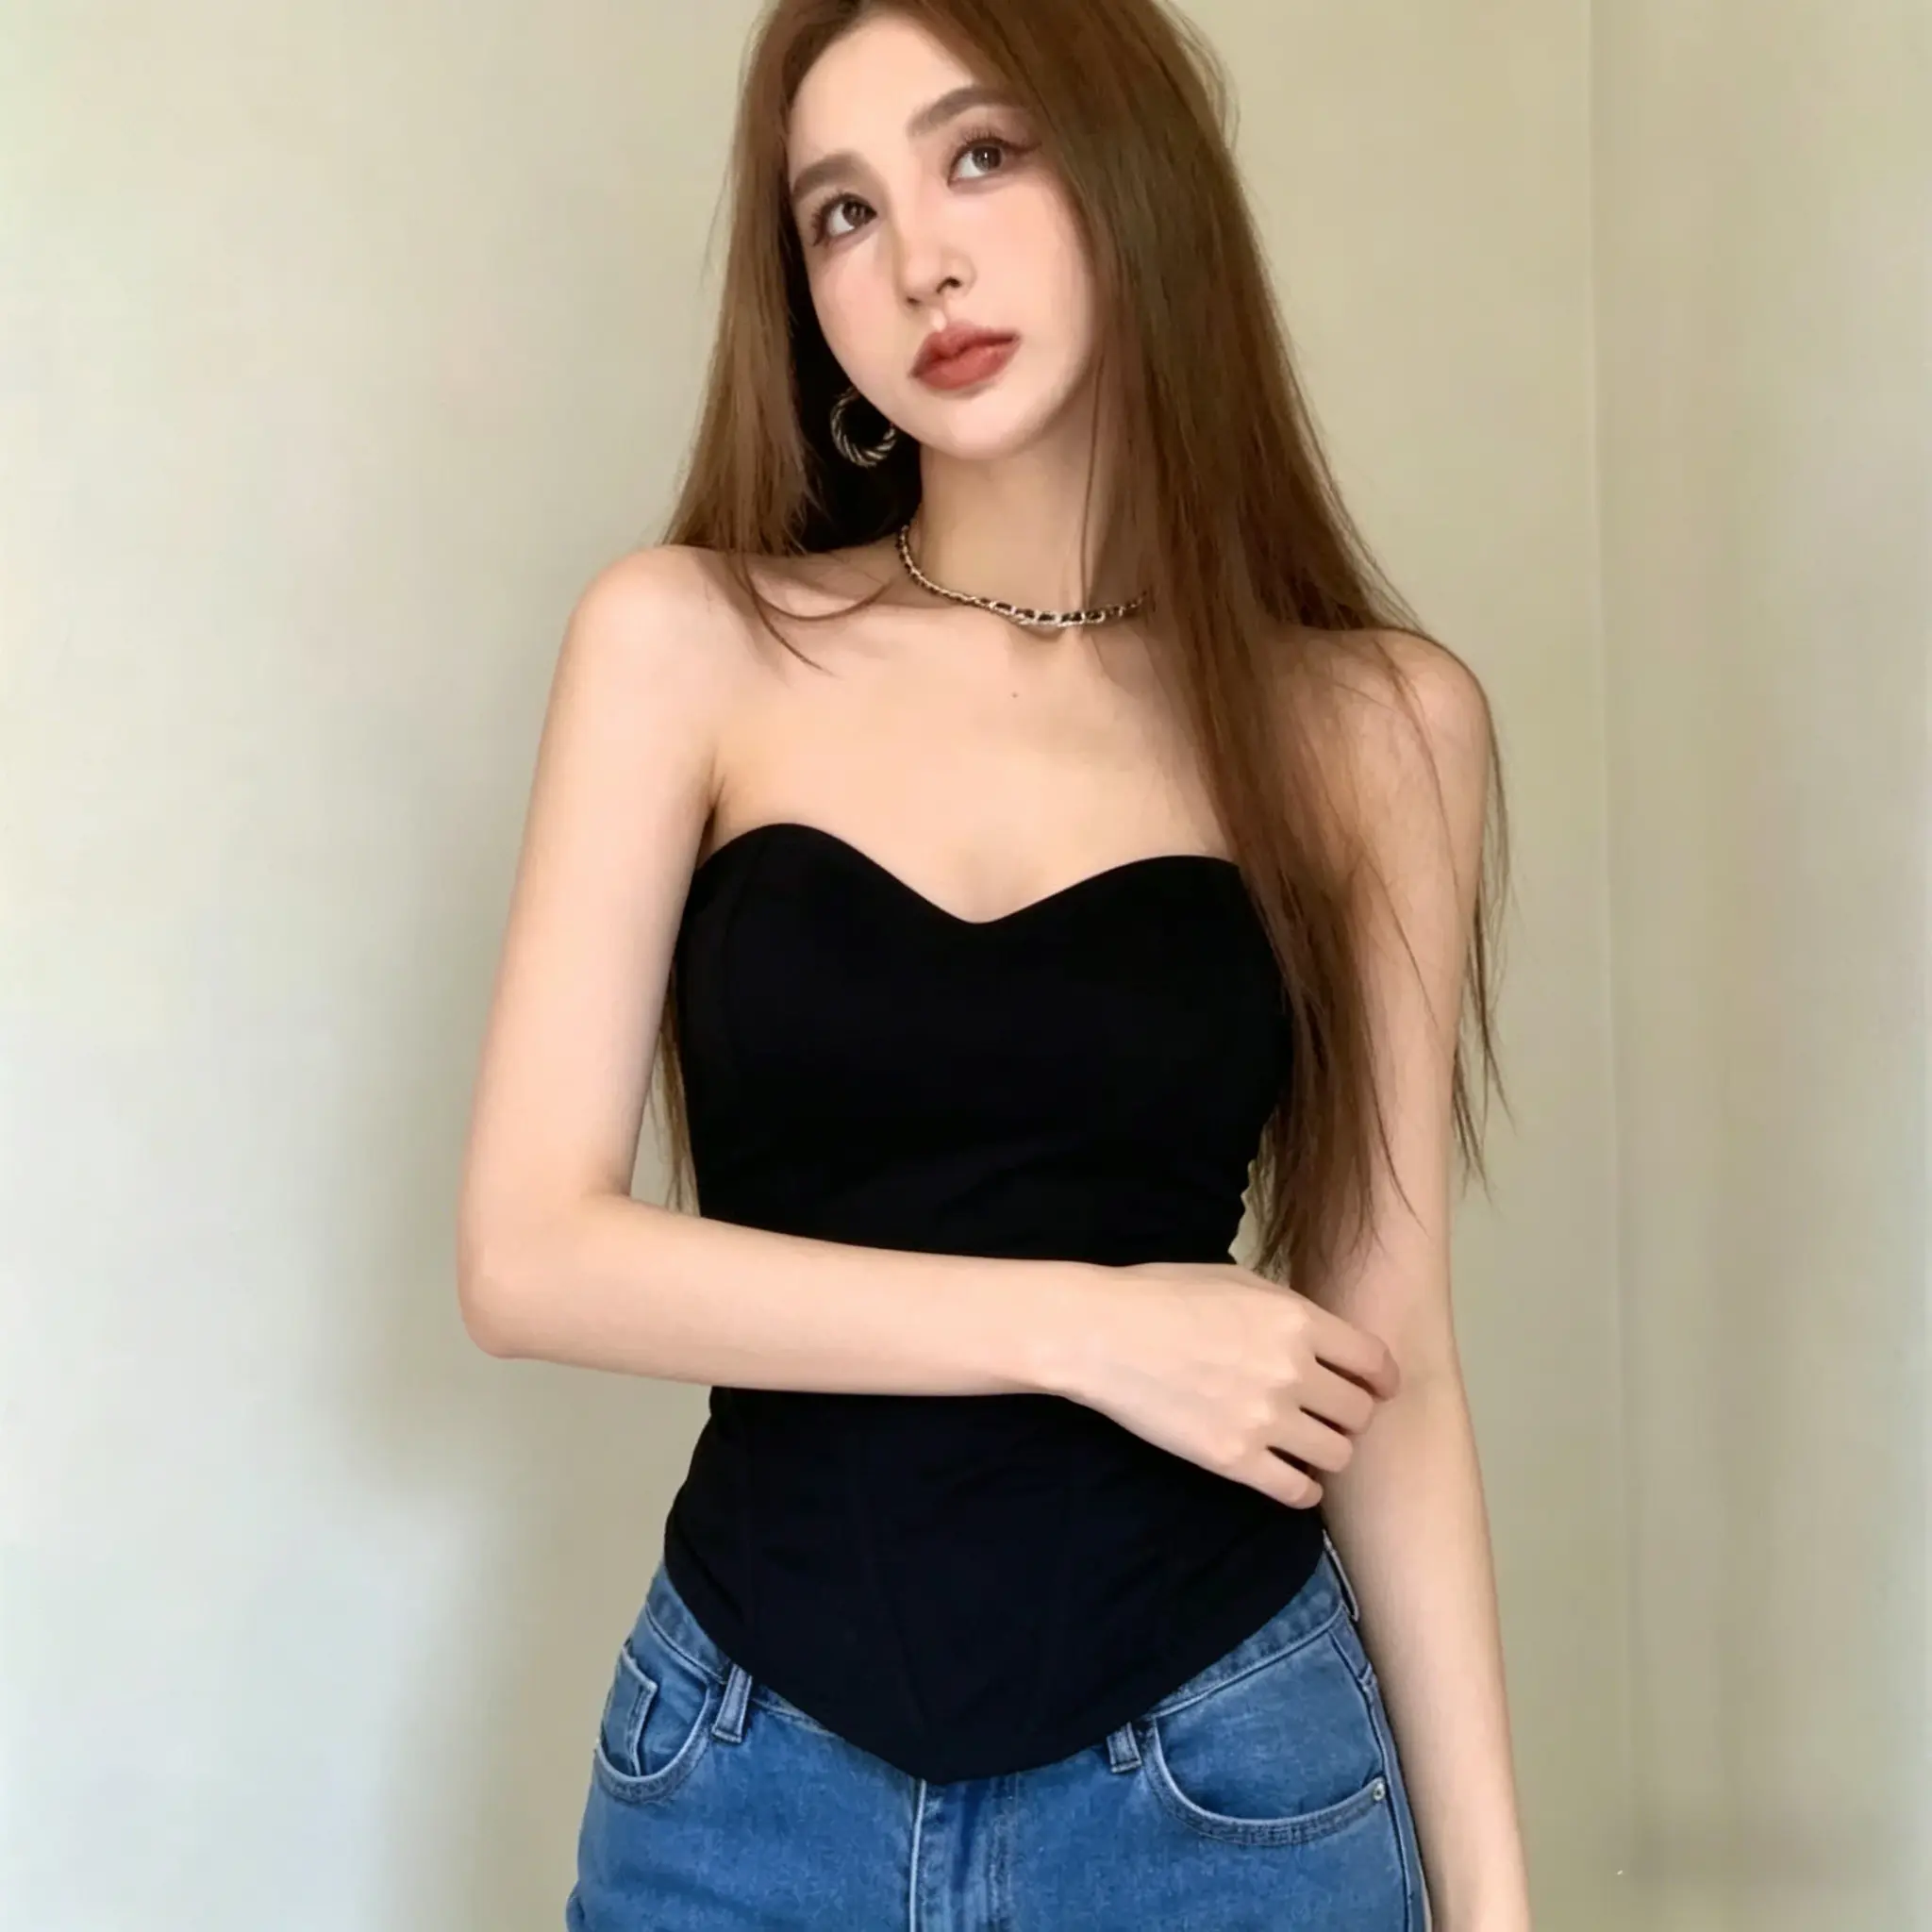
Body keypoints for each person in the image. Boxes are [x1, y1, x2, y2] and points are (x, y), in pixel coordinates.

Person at [456, 0, 1529, 1925]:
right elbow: (528, 1255)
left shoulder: (1376, 729)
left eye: (980, 154)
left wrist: (1499, 1908)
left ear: (1136, 177)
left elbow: (1396, 1366)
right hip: (745, 1793)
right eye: (842, 212)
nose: (919, 261)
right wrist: (1084, 1326)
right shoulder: (684, 645)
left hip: (1227, 1788)